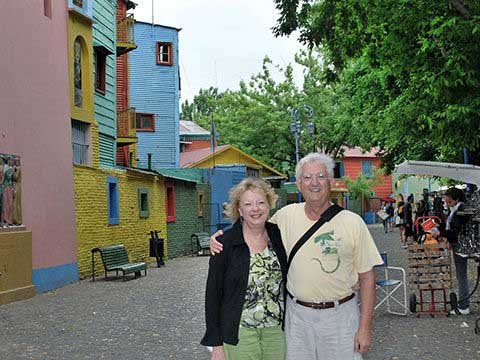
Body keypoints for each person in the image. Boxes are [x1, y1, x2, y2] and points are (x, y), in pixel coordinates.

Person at [211, 153, 383, 359]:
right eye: (307, 178)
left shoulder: (353, 222)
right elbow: (254, 222)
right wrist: (223, 237)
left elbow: (367, 277)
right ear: (299, 184)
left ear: (330, 181)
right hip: (297, 317)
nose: (314, 183)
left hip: (340, 317)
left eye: (320, 176)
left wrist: (364, 328)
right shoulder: (286, 216)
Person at [201, 177, 287, 360]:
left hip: (275, 331)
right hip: (240, 333)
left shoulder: (279, 236)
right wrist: (216, 344)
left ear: (269, 205)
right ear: (239, 210)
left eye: (261, 202)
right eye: (248, 204)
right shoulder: (224, 244)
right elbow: (213, 296)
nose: (255, 209)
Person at [432, 187, 470, 315]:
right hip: (457, 244)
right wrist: (440, 228)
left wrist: (440, 232)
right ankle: (463, 304)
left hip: (461, 245)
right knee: (461, 275)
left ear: (456, 199)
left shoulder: (461, 210)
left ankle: (464, 306)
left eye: (448, 201)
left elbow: (455, 230)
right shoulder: (455, 209)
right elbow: (450, 226)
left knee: (461, 275)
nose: (447, 204)